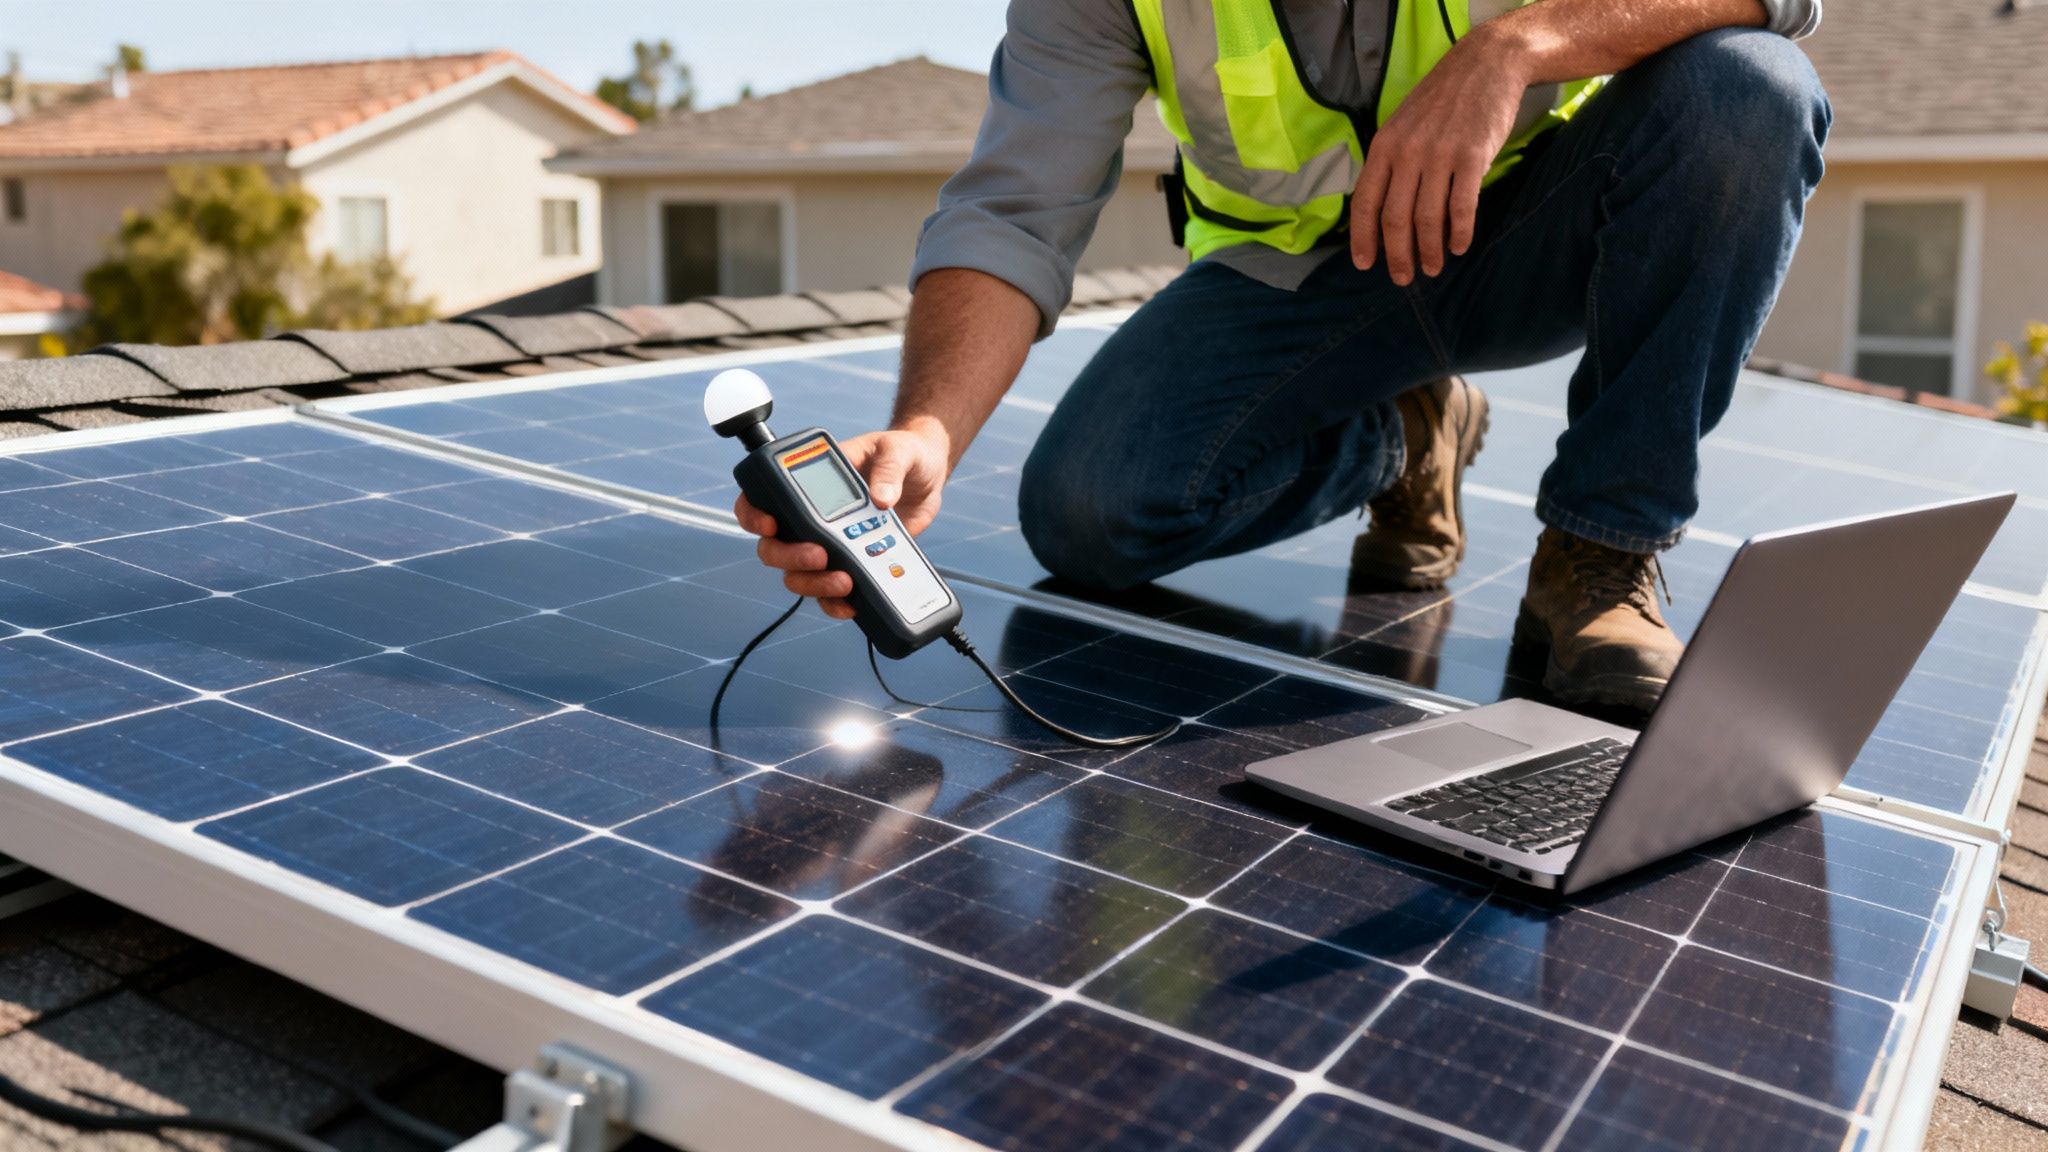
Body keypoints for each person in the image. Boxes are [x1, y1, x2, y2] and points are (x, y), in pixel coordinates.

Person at [738, 0, 1829, 714]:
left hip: (1531, 239)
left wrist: (1522, 43)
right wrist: (930, 426)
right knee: (1087, 513)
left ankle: (1598, 555)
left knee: (1749, 89)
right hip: (1300, 287)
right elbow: (1014, 212)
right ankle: (1405, 434)